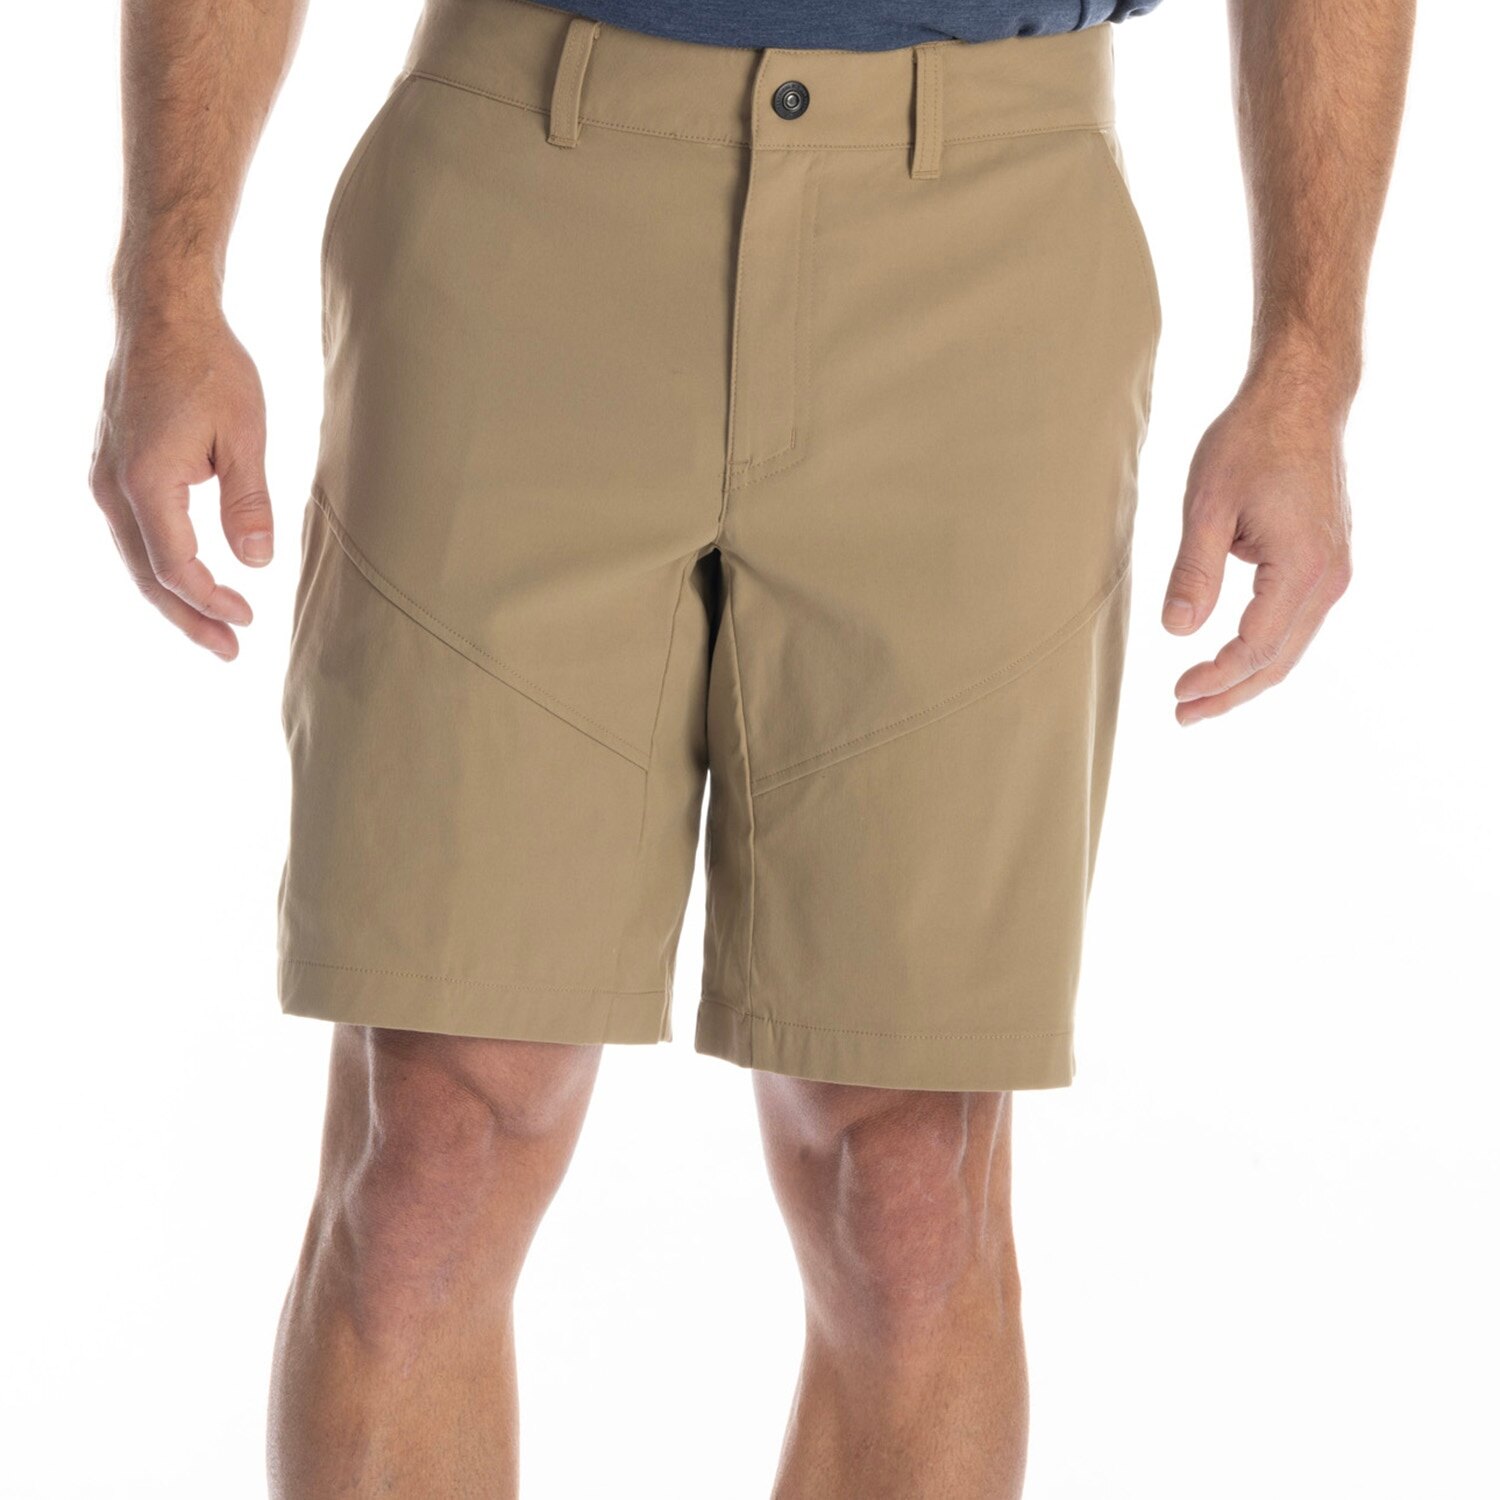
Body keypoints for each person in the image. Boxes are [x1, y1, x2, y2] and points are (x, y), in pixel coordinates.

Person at [88, 0, 1414, 1494]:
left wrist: (1309, 369)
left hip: (992, 218)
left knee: (906, 1188)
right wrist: (167, 290)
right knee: (429, 1157)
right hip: (524, 184)